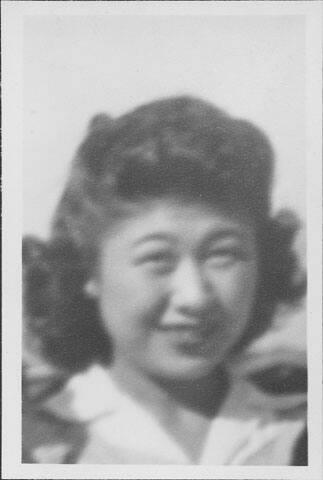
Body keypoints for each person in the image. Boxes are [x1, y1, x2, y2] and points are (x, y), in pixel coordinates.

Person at [22, 96, 307, 465]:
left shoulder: (299, 428)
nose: (195, 297)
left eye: (223, 254)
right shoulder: (36, 443)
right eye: (157, 258)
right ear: (89, 271)